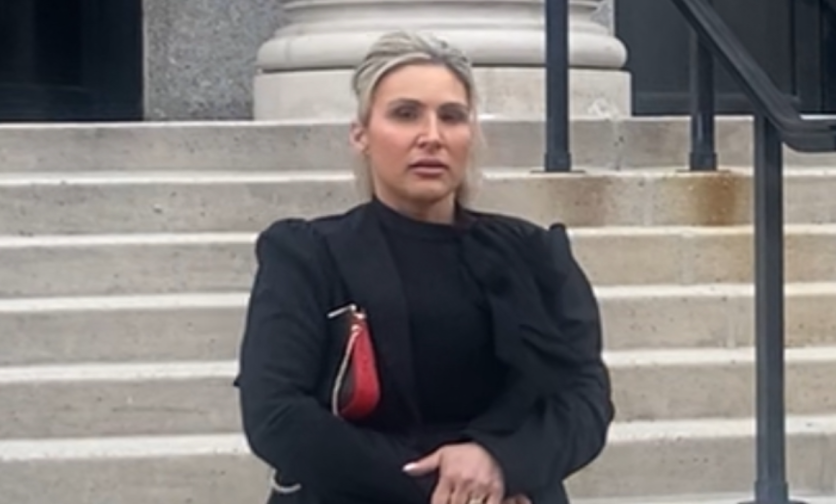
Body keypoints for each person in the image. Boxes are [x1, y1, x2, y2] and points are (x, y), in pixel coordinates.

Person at [235, 30, 614, 504]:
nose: (431, 136)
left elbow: (583, 400)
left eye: (451, 117)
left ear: (471, 135)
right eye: (405, 113)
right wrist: (453, 488)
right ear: (362, 135)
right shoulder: (307, 255)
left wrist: (498, 462)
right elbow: (276, 416)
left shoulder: (533, 253)